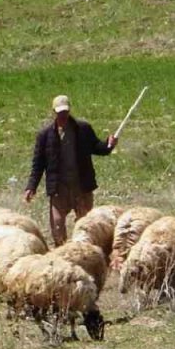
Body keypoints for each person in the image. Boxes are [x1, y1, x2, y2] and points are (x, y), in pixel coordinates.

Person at [24, 95, 118, 245]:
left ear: (69, 111)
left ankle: (85, 254)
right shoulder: (45, 135)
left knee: (86, 226)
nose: (63, 116)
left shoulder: (83, 129)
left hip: (81, 186)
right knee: (57, 225)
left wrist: (109, 144)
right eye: (59, 113)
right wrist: (31, 186)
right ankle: (62, 253)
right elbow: (38, 164)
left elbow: (97, 148)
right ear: (53, 112)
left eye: (65, 112)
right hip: (59, 189)